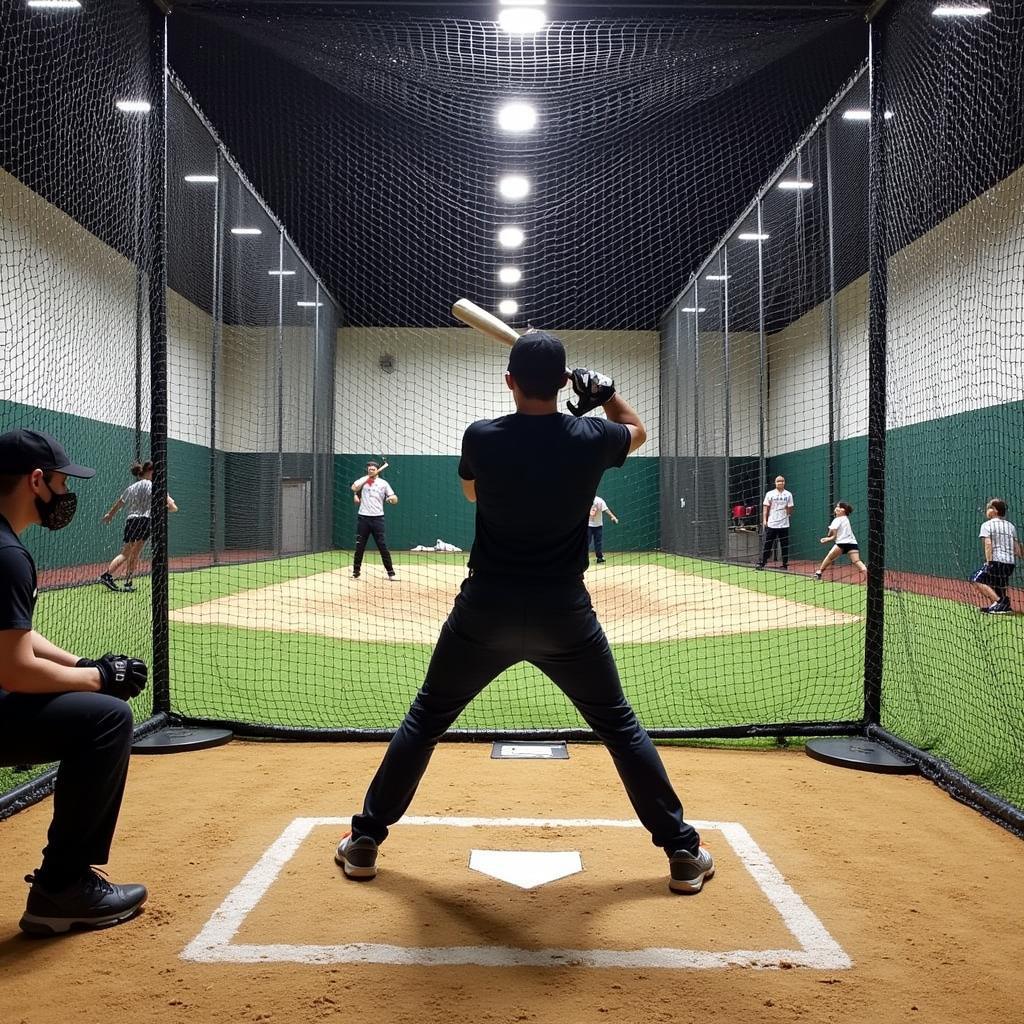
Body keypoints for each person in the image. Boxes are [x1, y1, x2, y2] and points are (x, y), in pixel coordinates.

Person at [335, 333, 713, 895]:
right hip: (565, 614)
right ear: (563, 384)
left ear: (509, 381)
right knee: (619, 726)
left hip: (485, 609)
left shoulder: (481, 436)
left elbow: (470, 495)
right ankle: (682, 851)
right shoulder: (592, 436)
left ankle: (366, 839)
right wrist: (606, 395)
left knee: (425, 720)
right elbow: (638, 430)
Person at [0, 428, 148, 935]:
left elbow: (19, 636)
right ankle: (62, 887)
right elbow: (15, 669)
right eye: (61, 483)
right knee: (108, 719)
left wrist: (86, 664)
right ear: (36, 481)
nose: (66, 495)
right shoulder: (7, 555)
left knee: (91, 697)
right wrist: (99, 680)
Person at [98, 460, 178, 593]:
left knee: (126, 552)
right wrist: (164, 506)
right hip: (145, 521)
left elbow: (119, 503)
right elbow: (173, 507)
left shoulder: (132, 487)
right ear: (151, 471)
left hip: (131, 521)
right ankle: (123, 581)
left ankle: (111, 576)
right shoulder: (156, 487)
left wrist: (109, 515)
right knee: (135, 554)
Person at [970, 498, 1022, 614]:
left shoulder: (986, 525)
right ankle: (1004, 606)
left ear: (995, 510)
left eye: (989, 508)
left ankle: (999, 603)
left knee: (975, 579)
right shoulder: (1010, 526)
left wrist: (989, 562)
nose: (986, 510)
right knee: (999, 584)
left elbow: (988, 544)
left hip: (996, 561)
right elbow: (1017, 548)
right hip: (1010, 564)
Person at [351, 460, 399, 580]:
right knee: (359, 546)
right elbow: (354, 488)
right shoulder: (363, 481)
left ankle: (391, 573)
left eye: (373, 469)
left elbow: (394, 498)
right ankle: (356, 572)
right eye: (369, 469)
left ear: (377, 470)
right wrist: (367, 477)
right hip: (363, 518)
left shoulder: (383, 483)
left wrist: (391, 499)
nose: (370, 470)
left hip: (378, 518)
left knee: (382, 546)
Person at [813, 502, 867, 581]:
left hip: (842, 543)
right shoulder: (845, 519)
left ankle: (819, 573)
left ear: (844, 510)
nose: (837, 508)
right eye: (837, 507)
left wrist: (827, 539)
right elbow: (832, 532)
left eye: (840, 507)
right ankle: (868, 577)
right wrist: (831, 531)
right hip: (852, 543)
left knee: (829, 557)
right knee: (856, 561)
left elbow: (832, 536)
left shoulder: (837, 520)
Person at [756, 475, 794, 570]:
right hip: (772, 523)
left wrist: (788, 514)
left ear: (784, 482)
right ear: (775, 483)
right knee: (768, 543)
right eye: (778, 481)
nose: (780, 483)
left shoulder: (788, 494)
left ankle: (784, 564)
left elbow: (790, 507)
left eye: (782, 481)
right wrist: (765, 520)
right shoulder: (770, 494)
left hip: (784, 524)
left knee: (784, 544)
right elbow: (766, 507)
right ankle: (762, 562)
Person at [588, 495, 619, 564]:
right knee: (587, 542)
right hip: (588, 525)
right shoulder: (585, 499)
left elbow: (606, 509)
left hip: (598, 525)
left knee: (598, 542)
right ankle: (582, 558)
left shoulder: (599, 500)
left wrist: (613, 517)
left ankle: (599, 558)